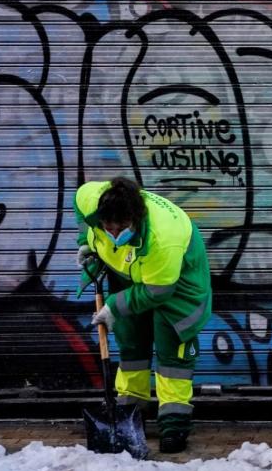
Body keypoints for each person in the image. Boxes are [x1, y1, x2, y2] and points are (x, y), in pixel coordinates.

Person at [75, 177, 211, 454]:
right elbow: (79, 204)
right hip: (130, 274)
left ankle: (174, 420)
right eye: (106, 228)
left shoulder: (163, 239)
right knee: (131, 342)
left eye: (121, 228)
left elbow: (158, 290)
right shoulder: (92, 200)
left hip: (178, 284)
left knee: (173, 348)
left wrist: (114, 306)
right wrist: (85, 242)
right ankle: (130, 406)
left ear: (135, 219)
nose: (113, 234)